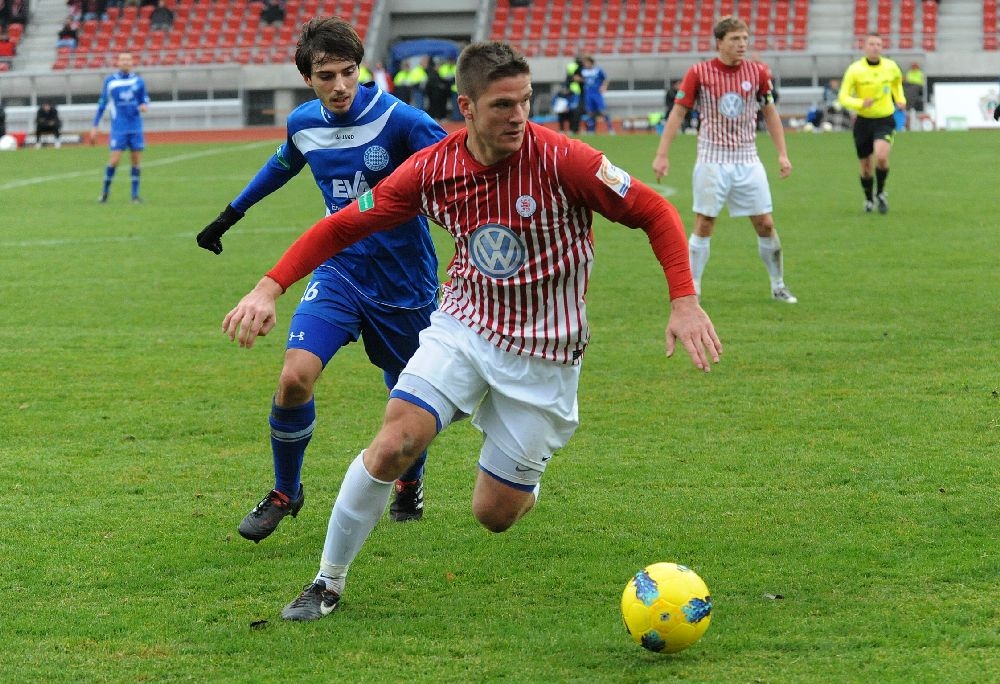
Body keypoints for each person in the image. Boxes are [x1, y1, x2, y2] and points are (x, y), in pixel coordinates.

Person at [220, 40, 722, 621]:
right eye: (502, 105)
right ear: (467, 107)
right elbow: (341, 226)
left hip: (546, 353)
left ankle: (519, 476)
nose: (519, 116)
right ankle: (327, 583)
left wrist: (684, 298)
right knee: (393, 443)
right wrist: (269, 285)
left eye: (527, 102)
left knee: (495, 513)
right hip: (464, 328)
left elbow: (655, 211)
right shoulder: (434, 167)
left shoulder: (567, 160)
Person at [196, 17, 447, 541]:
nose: (339, 86)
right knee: (293, 377)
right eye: (326, 75)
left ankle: (410, 482)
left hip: (404, 282)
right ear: (308, 77)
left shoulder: (402, 121)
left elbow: (455, 171)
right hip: (338, 271)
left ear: (362, 70)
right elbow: (282, 164)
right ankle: (286, 491)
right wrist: (229, 214)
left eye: (348, 72)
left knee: (407, 396)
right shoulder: (304, 121)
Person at [652, 16, 797, 304]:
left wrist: (782, 154)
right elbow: (678, 113)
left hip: (747, 158)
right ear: (720, 42)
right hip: (712, 158)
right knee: (704, 223)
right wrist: (662, 154)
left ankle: (778, 284)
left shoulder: (758, 73)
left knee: (766, 223)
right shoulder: (699, 73)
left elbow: (770, 114)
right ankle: (692, 288)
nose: (742, 44)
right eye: (735, 39)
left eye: (745, 38)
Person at [837, 33, 905, 215]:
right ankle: (869, 198)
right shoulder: (855, 69)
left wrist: (900, 98)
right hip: (863, 122)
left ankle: (881, 192)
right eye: (872, 44)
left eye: (879, 44)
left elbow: (897, 83)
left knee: (881, 157)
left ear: (882, 47)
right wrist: (859, 103)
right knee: (866, 167)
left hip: (885, 119)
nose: (875, 47)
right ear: (865, 47)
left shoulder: (890, 67)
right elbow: (843, 96)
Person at [90, 52, 149, 204]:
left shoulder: (139, 81)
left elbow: (145, 99)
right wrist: (95, 126)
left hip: (135, 127)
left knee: (136, 161)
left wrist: (144, 106)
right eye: (123, 59)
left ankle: (135, 195)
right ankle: (104, 193)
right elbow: (102, 104)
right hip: (119, 127)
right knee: (114, 160)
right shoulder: (110, 82)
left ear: (132, 62)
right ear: (118, 62)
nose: (126, 62)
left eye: (128, 59)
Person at [579, 55, 614, 134]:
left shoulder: (598, 70)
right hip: (588, 94)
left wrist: (604, 86)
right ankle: (591, 130)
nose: (585, 64)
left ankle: (610, 128)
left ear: (591, 62)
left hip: (597, 93)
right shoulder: (583, 71)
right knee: (591, 112)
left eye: (586, 62)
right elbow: (583, 80)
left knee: (602, 111)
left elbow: (605, 79)